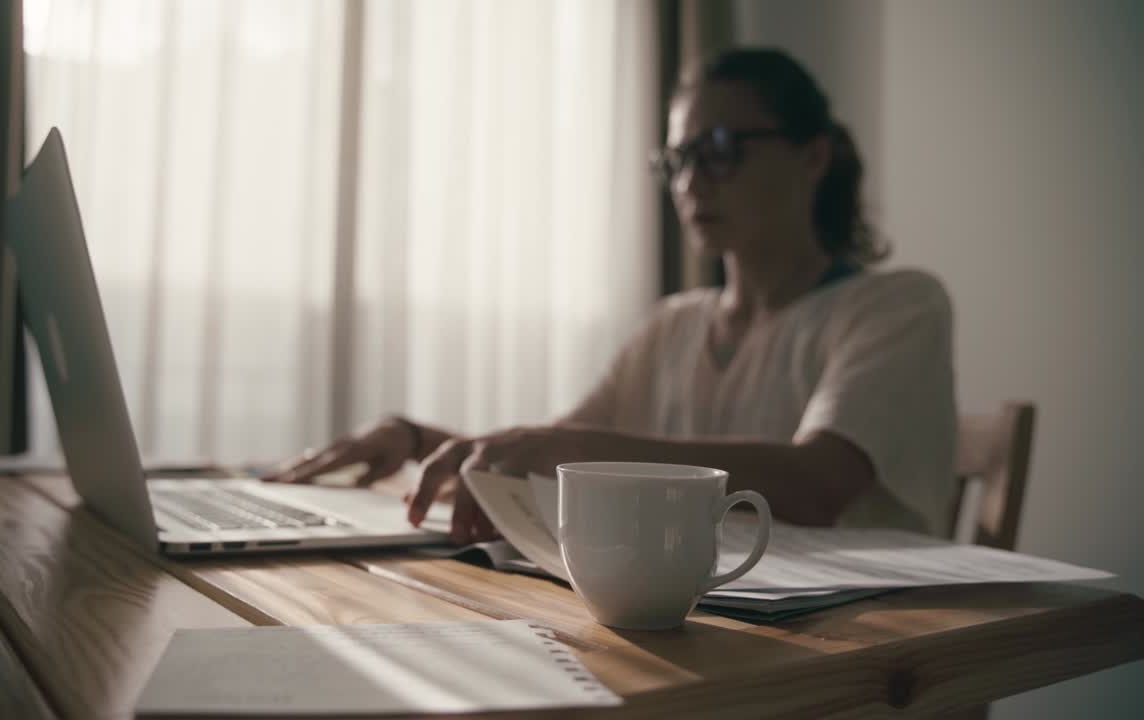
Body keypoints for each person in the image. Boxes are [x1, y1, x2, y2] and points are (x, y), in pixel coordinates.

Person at [264, 47, 956, 546]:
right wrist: (414, 439)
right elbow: (545, 466)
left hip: (864, 660)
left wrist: (562, 446)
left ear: (813, 156)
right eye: (677, 160)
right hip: (713, 630)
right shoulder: (673, 325)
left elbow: (816, 483)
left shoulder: (896, 306)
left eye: (718, 149)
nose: (690, 181)